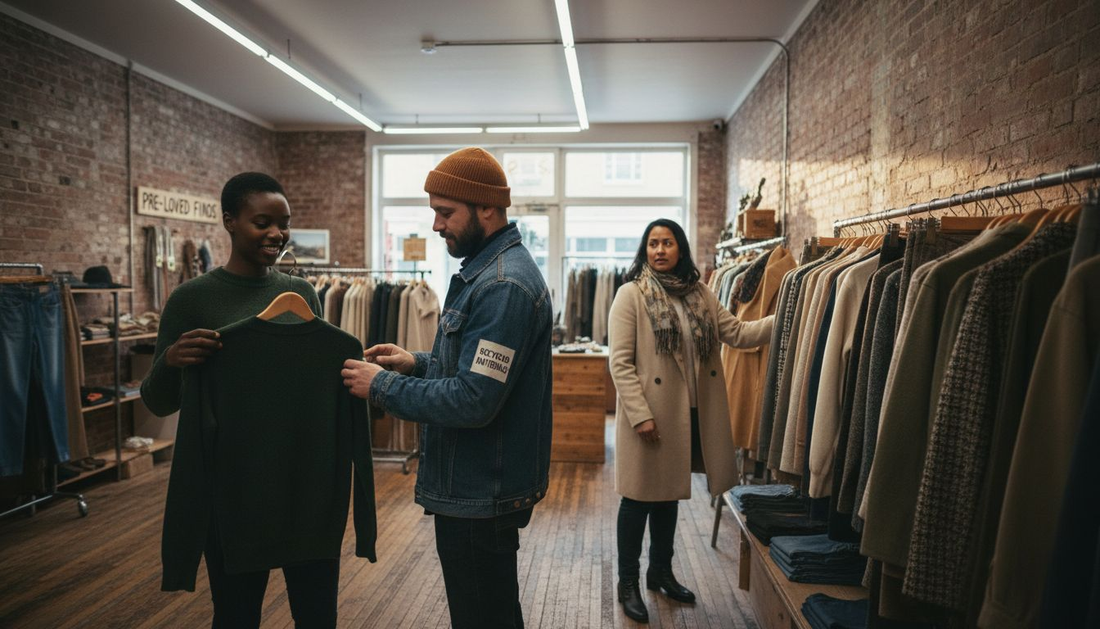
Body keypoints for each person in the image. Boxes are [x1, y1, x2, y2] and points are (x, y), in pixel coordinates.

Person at [341, 147, 553, 629]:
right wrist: (416, 363)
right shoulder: (490, 273)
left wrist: (383, 387)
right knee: (491, 610)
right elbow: (476, 371)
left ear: (486, 208)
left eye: (445, 212)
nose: (436, 225)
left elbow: (474, 399)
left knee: (483, 615)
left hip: (481, 487)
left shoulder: (502, 285)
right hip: (477, 484)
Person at [141, 172, 345, 628]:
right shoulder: (192, 300)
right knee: (235, 616)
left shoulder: (301, 293)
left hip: (302, 484)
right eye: (262, 222)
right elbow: (157, 402)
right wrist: (172, 360)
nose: (277, 233)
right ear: (230, 222)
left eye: (284, 222)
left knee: (317, 616)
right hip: (231, 492)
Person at [607, 218, 774, 623]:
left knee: (669, 494)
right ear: (644, 251)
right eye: (652, 244)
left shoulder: (700, 293)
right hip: (650, 415)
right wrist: (640, 415)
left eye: (667, 243)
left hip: (690, 415)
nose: (659, 250)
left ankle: (660, 572)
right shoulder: (631, 294)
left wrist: (790, 317)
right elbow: (620, 364)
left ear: (680, 248)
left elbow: (736, 332)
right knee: (637, 499)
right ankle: (627, 582)